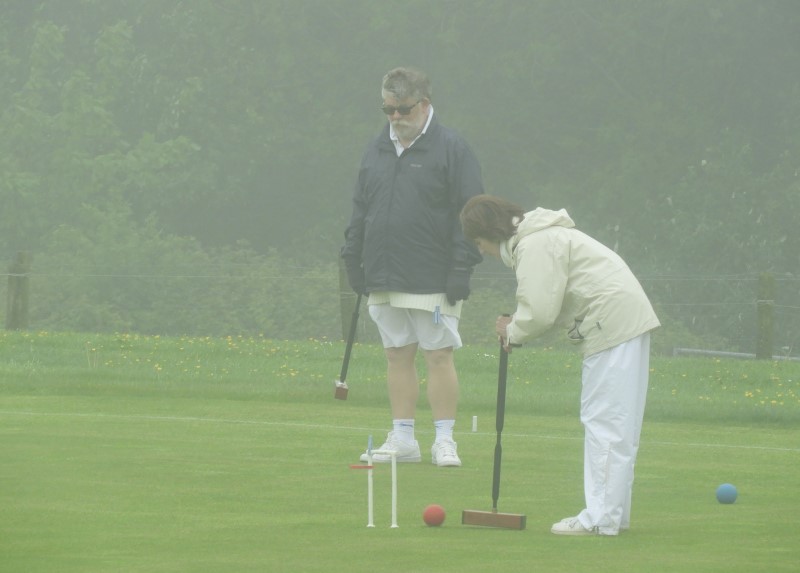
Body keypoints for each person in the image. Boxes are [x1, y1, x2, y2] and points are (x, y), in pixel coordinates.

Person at [459, 194, 660, 535]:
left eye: (478, 242)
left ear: (489, 232)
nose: (481, 251)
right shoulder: (540, 236)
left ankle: (600, 519)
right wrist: (517, 327)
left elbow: (539, 312)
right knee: (617, 425)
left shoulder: (534, 244)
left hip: (609, 323)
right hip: (623, 320)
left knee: (604, 422)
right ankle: (612, 516)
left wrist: (512, 331)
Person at [341, 67, 483, 467]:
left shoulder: (452, 148)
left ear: (423, 104)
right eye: (388, 109)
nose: (395, 117)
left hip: (433, 276)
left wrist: (461, 267)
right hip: (383, 271)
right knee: (396, 354)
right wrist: (353, 255)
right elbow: (361, 207)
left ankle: (444, 440)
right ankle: (403, 438)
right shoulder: (377, 148)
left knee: (438, 354)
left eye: (402, 109)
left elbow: (472, 213)